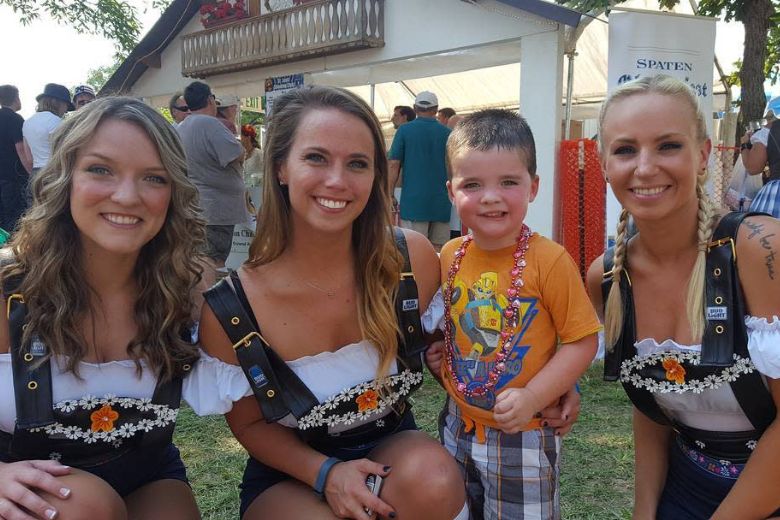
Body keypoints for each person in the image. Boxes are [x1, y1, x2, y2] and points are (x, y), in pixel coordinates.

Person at [199, 85, 469, 520]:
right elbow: (249, 425)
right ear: (281, 167)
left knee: (434, 479)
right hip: (290, 473)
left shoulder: (410, 260)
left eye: (357, 164)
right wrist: (327, 473)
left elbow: (453, 351)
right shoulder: (233, 306)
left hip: (393, 447)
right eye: (316, 158)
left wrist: (535, 390)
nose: (338, 181)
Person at [0, 96, 252, 520]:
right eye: (100, 169)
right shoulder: (9, 286)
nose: (127, 195)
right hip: (22, 480)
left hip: (145, 471)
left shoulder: (189, 284)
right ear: (65, 177)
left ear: (174, 193)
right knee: (82, 507)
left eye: (154, 178)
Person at [587, 74, 780, 519]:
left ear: (704, 155)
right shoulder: (609, 278)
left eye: (668, 145)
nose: (645, 166)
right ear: (604, 164)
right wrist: (644, 512)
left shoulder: (756, 250)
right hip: (688, 486)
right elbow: (655, 410)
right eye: (625, 149)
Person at [425, 109, 599, 519]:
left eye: (508, 182)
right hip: (457, 424)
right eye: (472, 184)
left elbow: (582, 339)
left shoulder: (550, 260)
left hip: (524, 433)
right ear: (452, 192)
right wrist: (440, 358)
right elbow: (450, 326)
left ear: (533, 186)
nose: (490, 196)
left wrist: (536, 395)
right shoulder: (449, 255)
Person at [177, 81, 245, 286]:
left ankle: (200, 304)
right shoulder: (210, 124)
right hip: (216, 208)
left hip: (196, 203)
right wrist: (242, 148)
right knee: (212, 260)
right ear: (210, 100)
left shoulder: (182, 127)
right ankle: (207, 308)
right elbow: (235, 155)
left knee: (198, 258)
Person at [388, 91, 452, 249]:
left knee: (413, 250)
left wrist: (389, 194)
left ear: (415, 108)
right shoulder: (448, 134)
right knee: (439, 250)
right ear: (436, 109)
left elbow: (393, 164)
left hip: (413, 203)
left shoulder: (404, 131)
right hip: (441, 202)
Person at [22, 83, 72, 178]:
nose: (66, 111)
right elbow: (65, 153)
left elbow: (29, 158)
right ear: (57, 102)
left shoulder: (27, 123)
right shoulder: (57, 122)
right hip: (55, 173)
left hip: (35, 174)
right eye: (66, 105)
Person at [0, 85, 31, 232]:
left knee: (3, 216)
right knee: (16, 216)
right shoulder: (15, 119)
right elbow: (21, 148)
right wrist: (31, 173)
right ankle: (13, 251)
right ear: (16, 98)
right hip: (13, 176)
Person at [741, 107, 780, 217]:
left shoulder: (771, 129)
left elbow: (753, 167)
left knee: (768, 231)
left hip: (776, 196)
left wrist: (744, 145)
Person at [241, 123, 263, 211]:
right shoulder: (241, 153)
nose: (240, 139)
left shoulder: (259, 153)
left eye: (241, 136)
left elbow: (266, 172)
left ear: (248, 137)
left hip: (257, 193)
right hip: (243, 194)